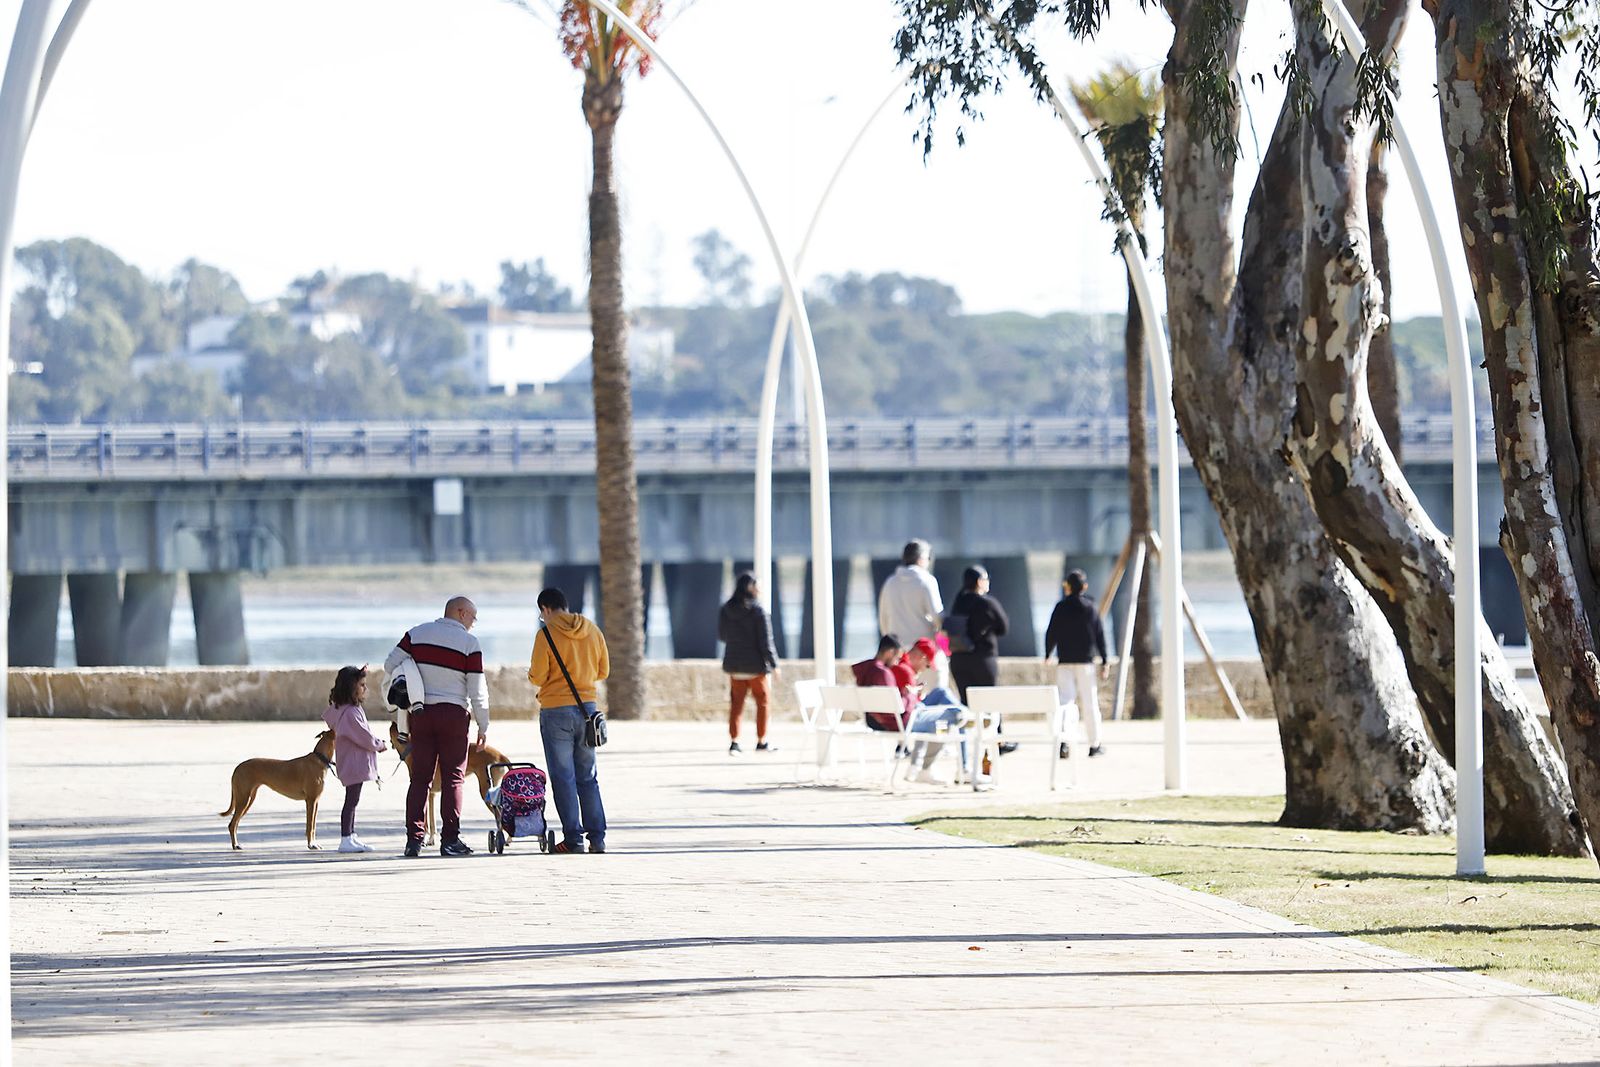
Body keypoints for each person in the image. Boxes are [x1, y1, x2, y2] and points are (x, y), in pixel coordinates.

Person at [385, 596, 489, 859]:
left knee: (420, 778)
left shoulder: (416, 634)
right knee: (454, 777)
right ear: (461, 612)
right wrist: (483, 724)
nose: (473, 624)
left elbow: (389, 664)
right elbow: (477, 690)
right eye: (473, 618)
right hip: (454, 714)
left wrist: (414, 673)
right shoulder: (469, 644)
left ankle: (413, 840)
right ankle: (450, 840)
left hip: (420, 713)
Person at [528, 586, 610, 854]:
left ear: (546, 609)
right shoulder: (592, 630)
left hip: (555, 712)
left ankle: (573, 839)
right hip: (588, 710)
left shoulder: (546, 634)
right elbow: (603, 671)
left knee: (563, 777)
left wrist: (534, 678)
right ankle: (597, 839)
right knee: (588, 776)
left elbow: (538, 676)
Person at [944, 564, 1015, 754]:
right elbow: (1004, 627)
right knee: (991, 701)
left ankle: (966, 747)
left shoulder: (957, 603)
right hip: (983, 658)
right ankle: (997, 742)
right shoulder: (987, 603)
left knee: (965, 705)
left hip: (958, 660)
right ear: (979, 582)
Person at [321, 664, 389, 853]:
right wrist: (380, 744)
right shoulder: (350, 713)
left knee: (352, 800)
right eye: (361, 685)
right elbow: (364, 737)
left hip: (350, 761)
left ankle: (350, 834)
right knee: (351, 801)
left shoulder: (343, 709)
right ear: (351, 688)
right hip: (354, 764)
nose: (364, 688)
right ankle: (345, 838)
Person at [1045, 568, 1111, 758]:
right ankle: (1094, 744)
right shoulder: (1091, 608)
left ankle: (1064, 743)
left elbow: (1052, 632)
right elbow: (1100, 635)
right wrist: (1105, 659)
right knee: (1090, 703)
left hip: (1065, 661)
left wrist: (1048, 653)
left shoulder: (1060, 607)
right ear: (1084, 587)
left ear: (1067, 587)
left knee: (1065, 702)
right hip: (1086, 663)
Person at [719, 572, 780, 755]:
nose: (760, 589)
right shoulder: (758, 611)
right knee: (762, 703)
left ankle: (734, 742)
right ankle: (761, 741)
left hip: (735, 666)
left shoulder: (726, 609)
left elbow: (722, 636)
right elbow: (766, 642)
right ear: (750, 588)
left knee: (736, 704)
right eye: (757, 585)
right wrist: (775, 665)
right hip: (755, 668)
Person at [878, 538, 947, 687]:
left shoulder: (890, 582)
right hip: (924, 653)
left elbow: (883, 620)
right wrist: (945, 645)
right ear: (921, 558)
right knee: (935, 697)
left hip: (899, 654)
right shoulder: (927, 581)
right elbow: (938, 619)